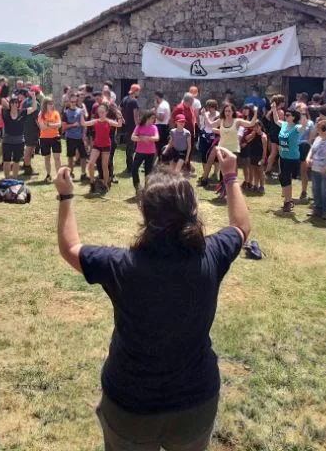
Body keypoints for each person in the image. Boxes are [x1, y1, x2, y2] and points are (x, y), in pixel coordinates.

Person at [54, 146, 250, 451]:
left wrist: (66, 196)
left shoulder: (121, 265)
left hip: (130, 403)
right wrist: (230, 176)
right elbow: (240, 227)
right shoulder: (211, 255)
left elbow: (70, 248)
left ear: (145, 212)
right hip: (195, 401)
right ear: (192, 211)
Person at [82, 102, 122, 193]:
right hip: (97, 145)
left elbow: (119, 125)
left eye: (103, 112)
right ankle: (92, 183)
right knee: (91, 164)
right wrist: (82, 113)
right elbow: (84, 123)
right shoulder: (95, 121)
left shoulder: (108, 121)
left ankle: (105, 184)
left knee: (105, 166)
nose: (101, 114)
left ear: (106, 112)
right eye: (99, 112)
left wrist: (119, 116)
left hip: (106, 146)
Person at [306, 120, 326, 221]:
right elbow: (312, 149)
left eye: (319, 129)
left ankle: (325, 212)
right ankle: (317, 210)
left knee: (325, 192)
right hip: (315, 169)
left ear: (325, 131)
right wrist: (308, 158)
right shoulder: (318, 138)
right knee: (316, 190)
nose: (317, 131)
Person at [276, 108, 305, 214]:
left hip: (292, 158)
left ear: (294, 117)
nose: (286, 116)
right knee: (283, 178)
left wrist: (303, 114)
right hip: (282, 157)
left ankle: (287, 202)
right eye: (286, 114)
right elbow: (276, 120)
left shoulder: (296, 127)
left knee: (286, 178)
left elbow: (303, 127)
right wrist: (274, 109)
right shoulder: (284, 124)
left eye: (288, 115)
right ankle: (288, 200)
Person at [129, 110, 159, 195]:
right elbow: (132, 137)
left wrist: (146, 138)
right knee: (134, 169)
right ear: (147, 118)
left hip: (150, 153)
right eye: (152, 118)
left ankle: (147, 189)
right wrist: (141, 138)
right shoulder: (139, 126)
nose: (153, 120)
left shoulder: (154, 127)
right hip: (140, 152)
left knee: (148, 172)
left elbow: (157, 138)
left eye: (154, 118)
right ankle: (137, 186)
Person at [62, 93, 88, 177]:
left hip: (80, 138)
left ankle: (83, 174)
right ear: (69, 102)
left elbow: (84, 124)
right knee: (70, 156)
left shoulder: (80, 111)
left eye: (75, 101)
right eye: (72, 101)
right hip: (70, 137)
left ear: (77, 101)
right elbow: (64, 127)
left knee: (83, 156)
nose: (73, 103)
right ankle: (71, 173)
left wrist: (84, 135)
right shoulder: (66, 113)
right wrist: (73, 125)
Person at [119, 84, 142, 175]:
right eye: (138, 91)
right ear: (135, 91)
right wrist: (138, 127)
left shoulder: (125, 99)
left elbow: (118, 110)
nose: (139, 93)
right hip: (132, 127)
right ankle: (130, 168)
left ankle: (129, 166)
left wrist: (122, 119)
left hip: (126, 126)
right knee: (131, 148)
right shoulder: (134, 101)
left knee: (129, 147)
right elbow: (135, 116)